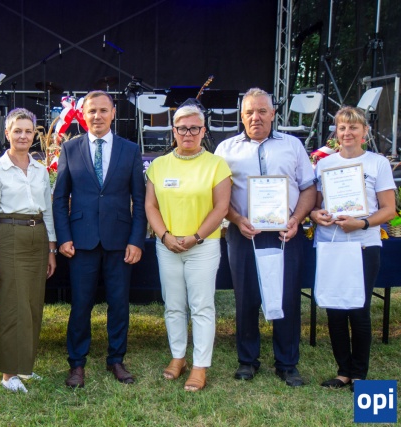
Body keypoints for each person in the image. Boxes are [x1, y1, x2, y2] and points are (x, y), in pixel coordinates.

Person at [214, 88, 316, 387]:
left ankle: (287, 363)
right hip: (243, 232)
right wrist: (237, 219)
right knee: (246, 297)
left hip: (287, 232)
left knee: (287, 296)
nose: (255, 117)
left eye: (262, 111)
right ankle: (247, 360)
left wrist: (297, 219)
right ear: (241, 116)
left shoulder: (292, 145)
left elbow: (308, 187)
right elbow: (218, 196)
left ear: (273, 114)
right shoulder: (226, 150)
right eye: (249, 112)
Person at [53, 90, 146, 388]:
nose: (97, 116)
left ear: (113, 113)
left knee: (119, 304)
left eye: (103, 110)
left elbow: (140, 200)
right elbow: (60, 198)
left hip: (120, 241)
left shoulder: (130, 150)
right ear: (84, 115)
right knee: (81, 304)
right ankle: (76, 363)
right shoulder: (70, 149)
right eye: (92, 111)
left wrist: (136, 240)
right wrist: (64, 237)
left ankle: (116, 359)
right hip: (81, 241)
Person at [145, 105, 231, 391]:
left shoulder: (216, 165)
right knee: (173, 305)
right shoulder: (158, 166)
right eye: (182, 128)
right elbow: (150, 206)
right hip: (168, 245)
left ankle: (199, 366)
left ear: (203, 131)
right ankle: (178, 357)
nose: (188, 133)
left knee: (201, 306)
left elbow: (221, 207)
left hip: (202, 245)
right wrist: (164, 236)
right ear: (174, 131)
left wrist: (196, 236)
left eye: (194, 128)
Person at [311, 106, 395, 391]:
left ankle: (359, 374)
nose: (347, 133)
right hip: (330, 243)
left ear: (364, 132)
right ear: (336, 132)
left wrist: (362, 223)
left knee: (358, 308)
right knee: (334, 308)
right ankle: (343, 372)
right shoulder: (323, 164)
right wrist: (316, 215)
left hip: (364, 244)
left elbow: (389, 209)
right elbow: (316, 206)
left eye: (353, 127)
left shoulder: (377, 163)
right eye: (342, 128)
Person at [0, 108, 57, 393]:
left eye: (28, 131)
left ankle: (25, 366)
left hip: (38, 236)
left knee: (32, 305)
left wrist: (51, 249)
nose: (23, 136)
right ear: (7, 133)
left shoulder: (40, 170)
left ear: (34, 134)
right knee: (11, 305)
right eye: (17, 131)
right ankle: (8, 374)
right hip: (9, 236)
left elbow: (48, 211)